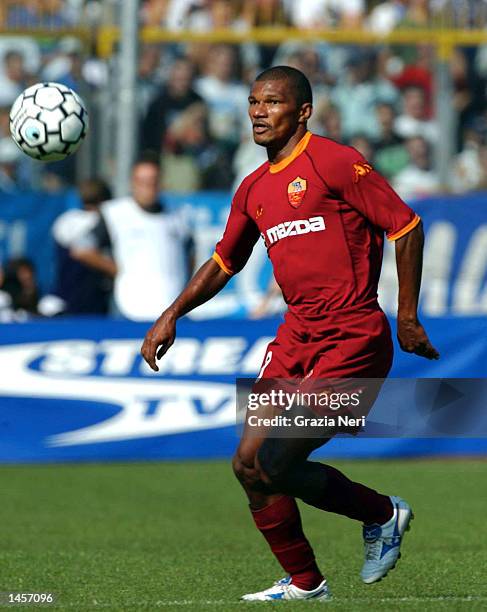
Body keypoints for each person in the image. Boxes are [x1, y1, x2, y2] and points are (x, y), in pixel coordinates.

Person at [141, 66, 439, 602]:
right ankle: (306, 584)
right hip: (295, 339)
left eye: (272, 102)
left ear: (302, 111)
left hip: (353, 338)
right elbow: (222, 262)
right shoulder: (253, 187)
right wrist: (172, 313)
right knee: (249, 465)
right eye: (254, 101)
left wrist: (408, 315)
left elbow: (406, 226)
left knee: (279, 461)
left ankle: (383, 514)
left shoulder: (335, 161)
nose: (258, 111)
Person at [76, 155, 193, 321]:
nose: (149, 187)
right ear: (133, 183)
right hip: (129, 307)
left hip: (173, 310)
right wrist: (117, 270)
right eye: (143, 181)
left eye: (153, 181)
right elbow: (82, 249)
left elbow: (190, 253)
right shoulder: (115, 213)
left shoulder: (178, 215)